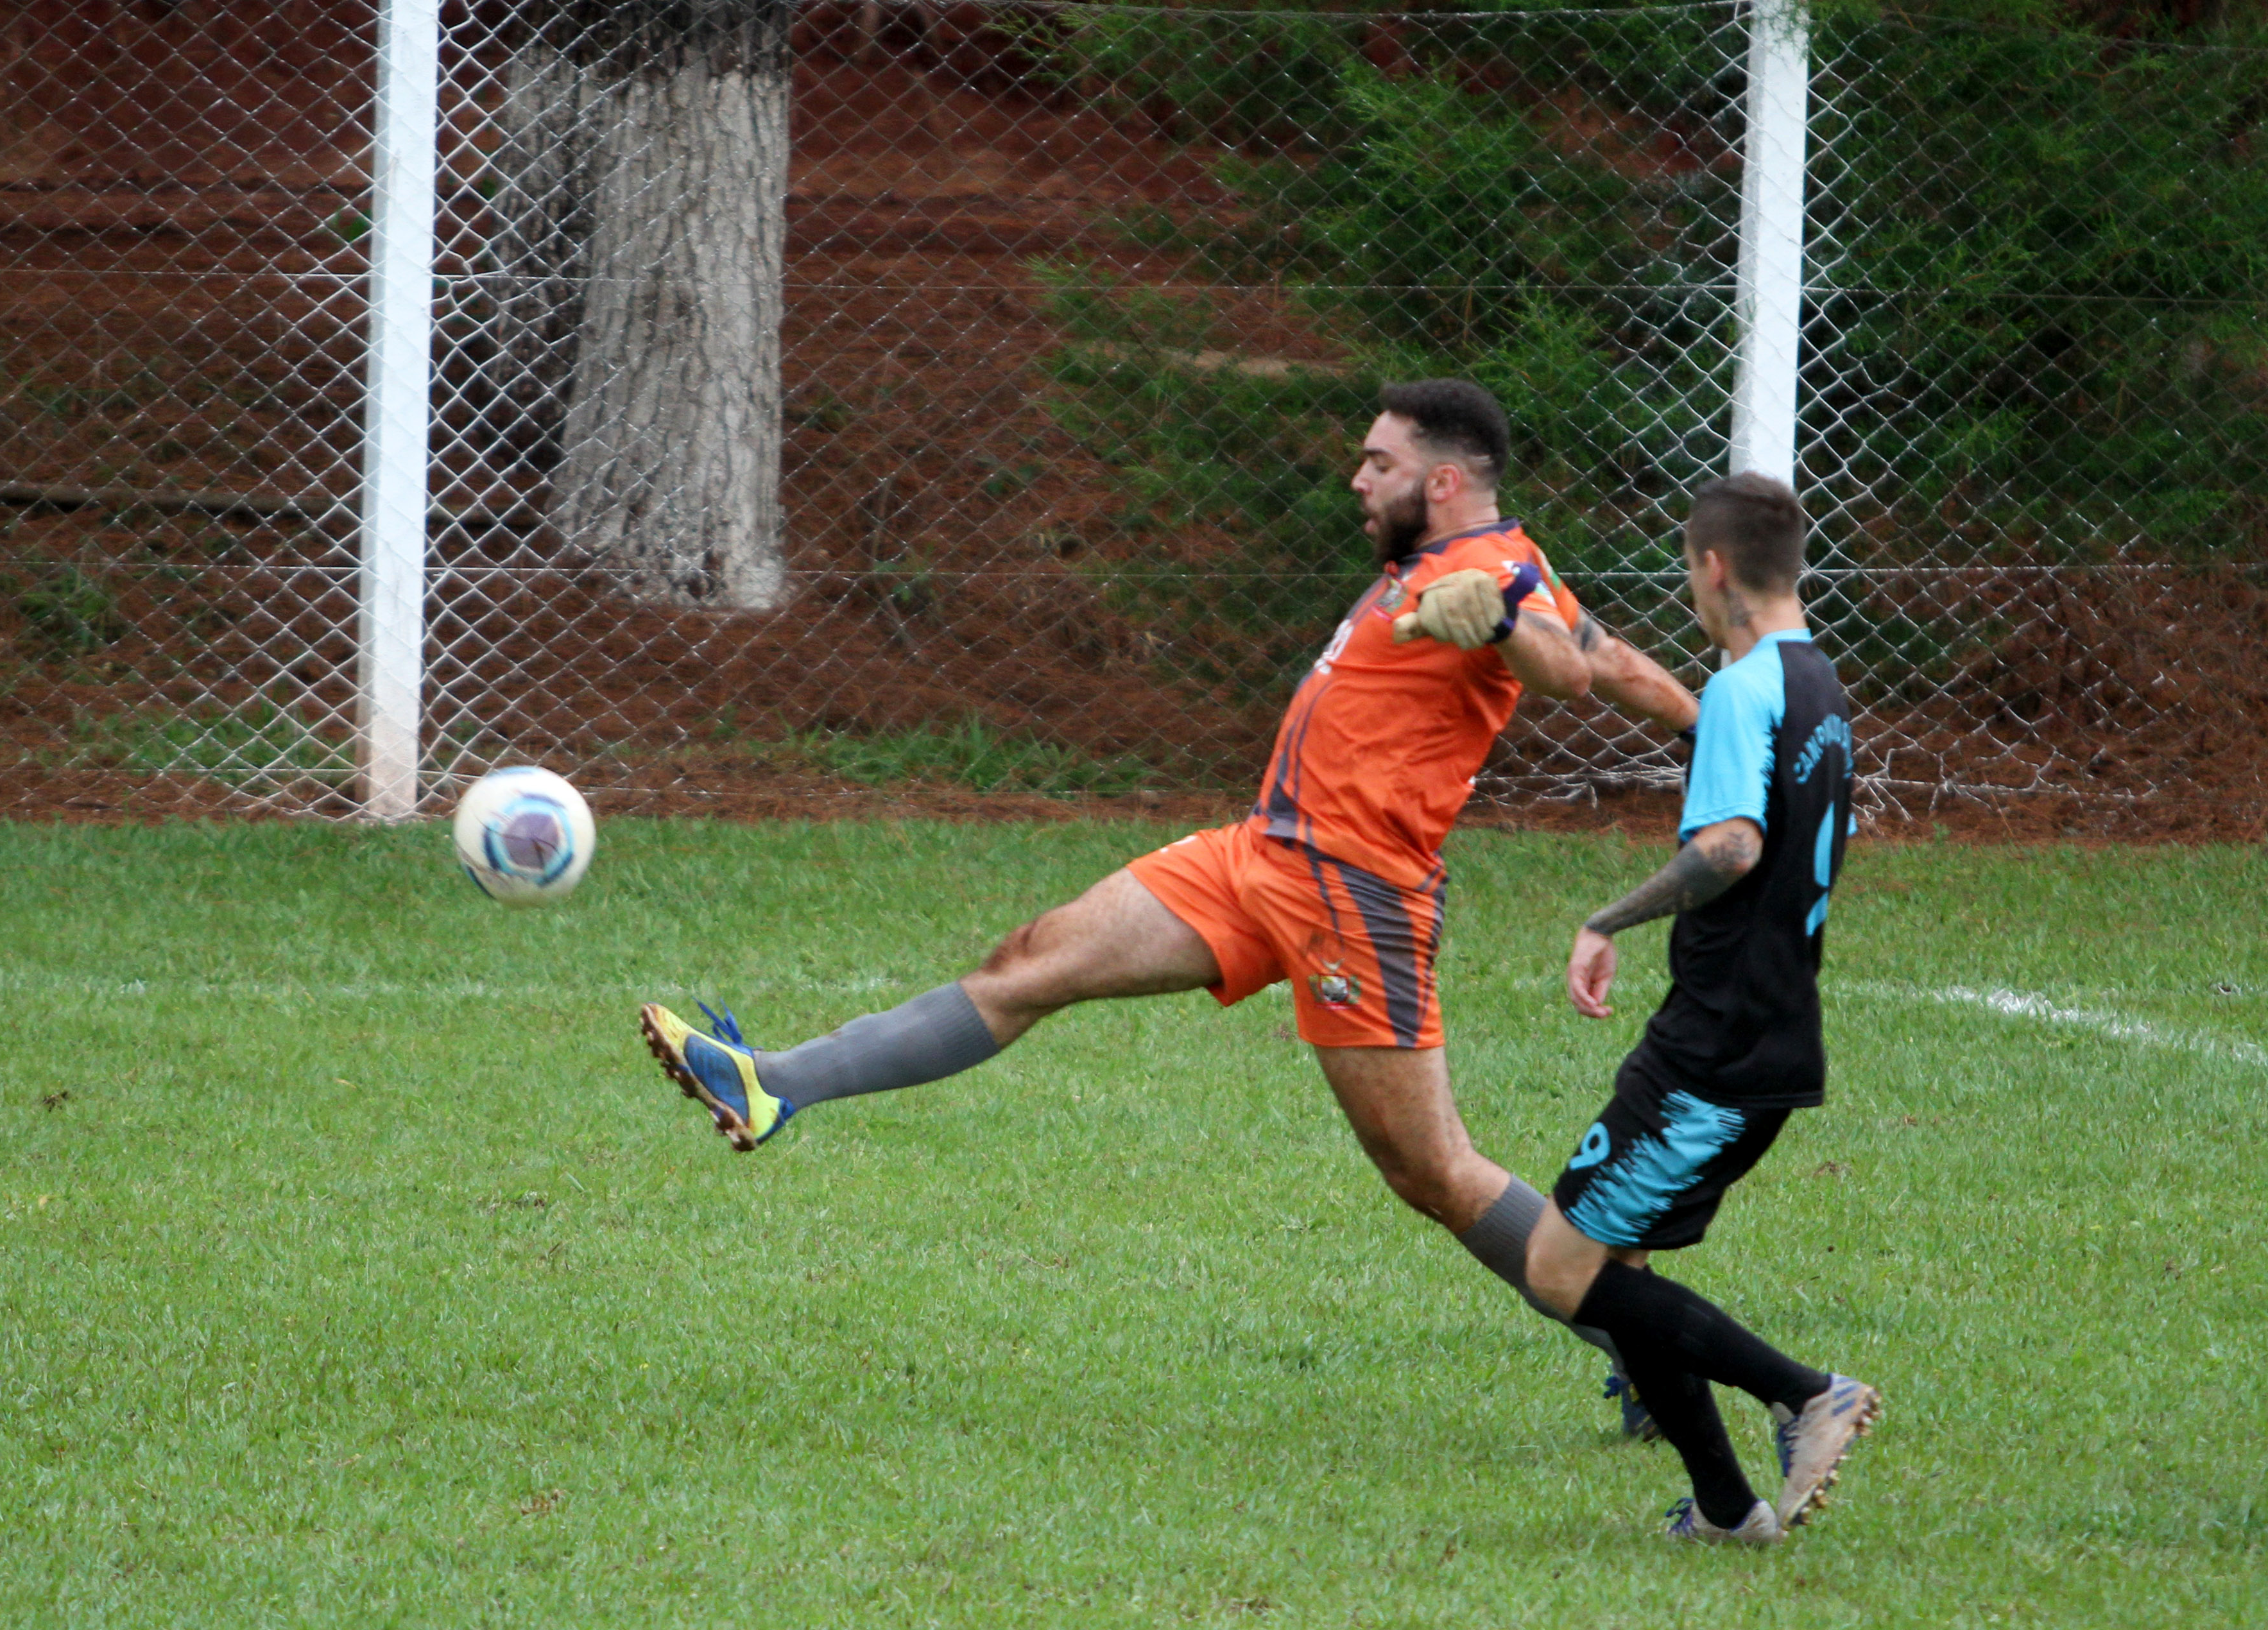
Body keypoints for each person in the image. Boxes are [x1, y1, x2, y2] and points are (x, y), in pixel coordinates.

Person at [641, 378, 1701, 1421]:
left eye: (1378, 463)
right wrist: (1715, 729)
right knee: (1028, 962)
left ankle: (1649, 1347)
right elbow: (1611, 662)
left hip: (1355, 895)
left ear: (1442, 481)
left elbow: (1562, 670)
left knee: (1434, 1174)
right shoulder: (1439, 565)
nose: (1355, 479)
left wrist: (1501, 624)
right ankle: (773, 1082)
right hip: (1260, 856)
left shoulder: (1493, 569)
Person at [1522, 472, 1880, 1545]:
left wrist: (1607, 919)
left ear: (1713, 567)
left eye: (1687, 566)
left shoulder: (1738, 689)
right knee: (1622, 1261)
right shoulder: (1818, 684)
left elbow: (1729, 846)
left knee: (1559, 1269)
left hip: (1714, 1050)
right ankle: (1726, 1509)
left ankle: (1805, 1392)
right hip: (1764, 1026)